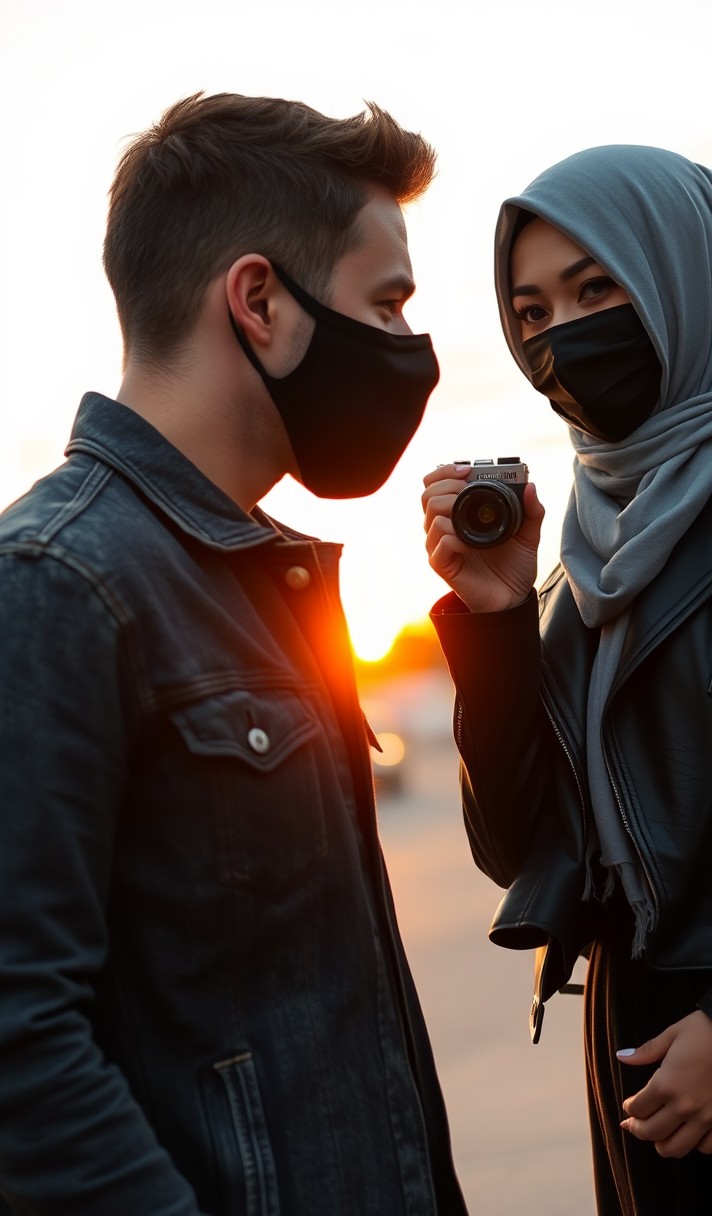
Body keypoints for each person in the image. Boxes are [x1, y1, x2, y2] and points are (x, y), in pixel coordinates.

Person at [0, 91, 468, 1215]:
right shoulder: (59, 585)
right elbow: (16, 1042)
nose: (412, 349)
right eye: (388, 302)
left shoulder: (268, 586)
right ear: (259, 300)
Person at [422, 143, 712, 1216]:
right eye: (531, 312)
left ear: (682, 272)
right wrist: (499, 618)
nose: (562, 334)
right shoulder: (587, 546)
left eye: (596, 287)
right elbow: (514, 846)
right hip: (643, 1049)